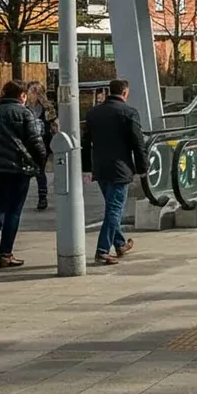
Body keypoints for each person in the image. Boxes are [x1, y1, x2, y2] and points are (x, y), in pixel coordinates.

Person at [0, 80, 47, 268]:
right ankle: (6, 254)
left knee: (2, 205)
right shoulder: (24, 113)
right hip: (18, 168)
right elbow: (35, 142)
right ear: (22, 96)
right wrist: (40, 164)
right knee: (13, 210)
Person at [82, 78, 146, 265]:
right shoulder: (129, 113)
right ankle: (102, 250)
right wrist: (142, 168)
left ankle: (119, 243)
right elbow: (138, 143)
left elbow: (85, 143)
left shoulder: (93, 113)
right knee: (114, 210)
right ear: (125, 93)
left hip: (100, 168)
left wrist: (87, 167)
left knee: (112, 207)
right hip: (120, 169)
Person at [25, 80, 57, 211]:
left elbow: (53, 123)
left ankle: (42, 197)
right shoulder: (24, 107)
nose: (30, 94)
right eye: (29, 91)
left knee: (39, 170)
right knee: (25, 171)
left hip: (42, 143)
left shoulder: (47, 108)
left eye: (33, 91)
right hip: (27, 143)